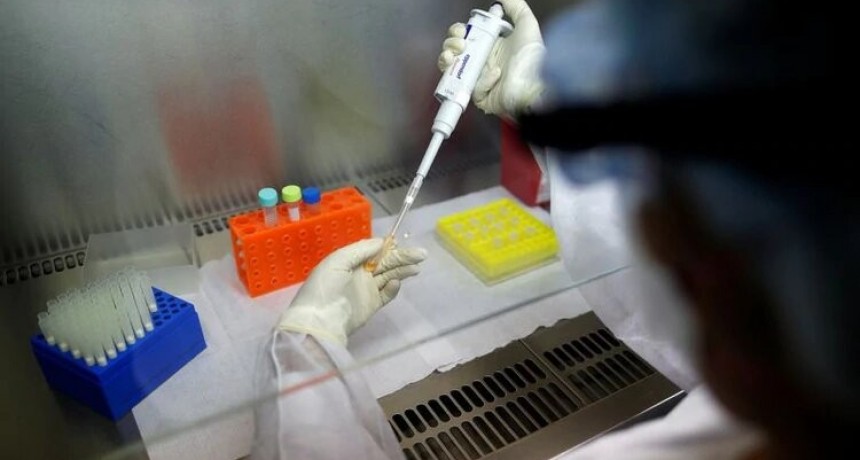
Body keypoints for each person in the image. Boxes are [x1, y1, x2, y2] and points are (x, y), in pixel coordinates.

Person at [254, 0, 856, 458]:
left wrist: (305, 347)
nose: (648, 233)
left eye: (671, 208)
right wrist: (547, 107)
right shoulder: (802, 391)